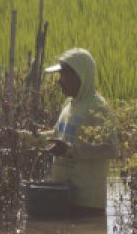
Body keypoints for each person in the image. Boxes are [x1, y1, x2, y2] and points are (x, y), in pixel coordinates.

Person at [40, 48, 118, 212]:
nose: (59, 81)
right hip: (63, 197)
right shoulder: (69, 105)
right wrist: (25, 137)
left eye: (64, 75)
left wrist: (70, 150)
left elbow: (111, 149)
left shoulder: (99, 108)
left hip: (87, 204)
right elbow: (56, 136)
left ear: (80, 75)